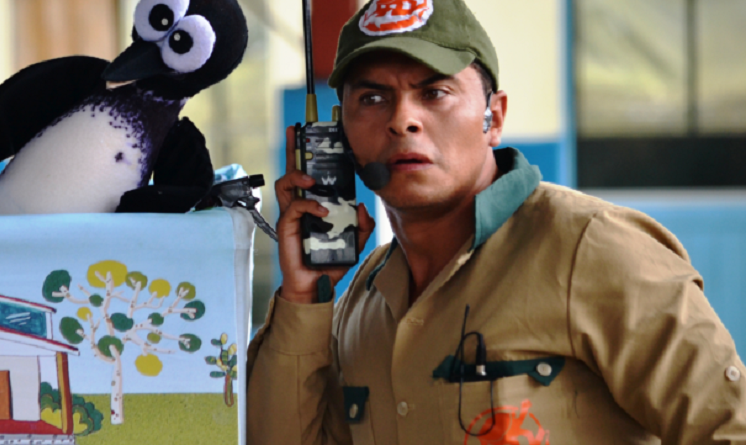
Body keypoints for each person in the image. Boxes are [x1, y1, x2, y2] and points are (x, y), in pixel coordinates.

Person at [246, 0, 746, 443]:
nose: (402, 120)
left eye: (434, 92)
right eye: (372, 99)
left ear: (495, 116)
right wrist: (303, 295)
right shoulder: (362, 300)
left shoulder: (593, 248)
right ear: (340, 133)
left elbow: (727, 428)